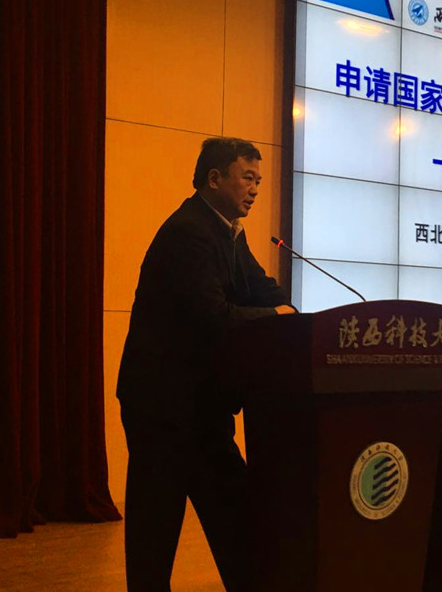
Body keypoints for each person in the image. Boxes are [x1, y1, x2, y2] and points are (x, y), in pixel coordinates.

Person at [116, 136, 295, 591]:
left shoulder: (229, 232)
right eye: (247, 178)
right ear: (214, 179)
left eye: (259, 179)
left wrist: (300, 316)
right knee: (156, 527)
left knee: (237, 519)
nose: (256, 188)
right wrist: (277, 316)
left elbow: (261, 288)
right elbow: (213, 317)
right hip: (163, 407)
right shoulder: (189, 232)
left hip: (203, 408)